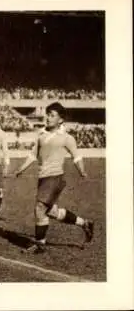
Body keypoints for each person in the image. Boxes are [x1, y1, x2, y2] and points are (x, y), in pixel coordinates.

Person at [10, 102, 94, 254]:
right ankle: (84, 223)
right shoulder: (41, 135)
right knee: (50, 211)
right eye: (47, 114)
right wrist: (20, 169)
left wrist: (82, 170)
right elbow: (33, 155)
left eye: (52, 115)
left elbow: (76, 156)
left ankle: (40, 244)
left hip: (55, 177)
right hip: (43, 177)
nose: (48, 117)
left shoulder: (67, 138)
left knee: (39, 208)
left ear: (60, 120)